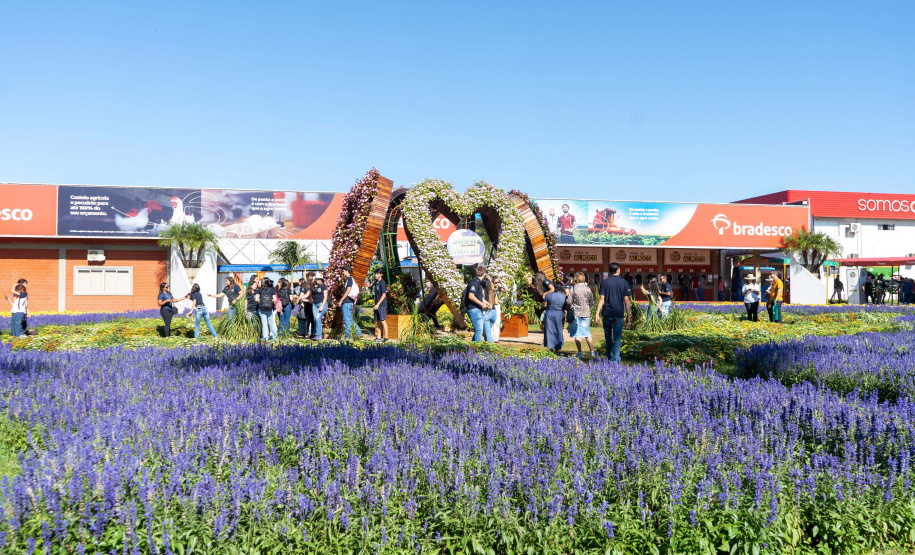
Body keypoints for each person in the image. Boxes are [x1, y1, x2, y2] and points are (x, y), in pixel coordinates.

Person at [595, 262, 631, 363]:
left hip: (607, 312)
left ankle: (609, 357)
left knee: (608, 336)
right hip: (619, 313)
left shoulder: (604, 282)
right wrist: (628, 316)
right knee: (617, 337)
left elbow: (601, 298)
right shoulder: (624, 283)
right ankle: (615, 359)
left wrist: (597, 314)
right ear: (618, 270)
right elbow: (626, 300)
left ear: (610, 270)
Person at [569, 272, 595, 358]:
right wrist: (587, 307)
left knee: (578, 334)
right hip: (586, 313)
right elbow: (592, 301)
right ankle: (592, 351)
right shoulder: (588, 288)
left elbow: (569, 301)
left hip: (576, 313)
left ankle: (580, 352)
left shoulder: (573, 288)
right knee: (587, 333)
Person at [464, 266, 491, 342]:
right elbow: (471, 296)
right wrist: (482, 304)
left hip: (477, 309)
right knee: (479, 330)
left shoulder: (478, 282)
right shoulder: (475, 282)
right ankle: (477, 348)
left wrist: (486, 303)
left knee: (479, 330)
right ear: (484, 273)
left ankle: (471, 347)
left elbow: (479, 297)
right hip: (474, 309)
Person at [337, 265, 362, 340]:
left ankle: (347, 336)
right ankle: (358, 333)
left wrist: (341, 300)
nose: (343, 272)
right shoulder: (349, 279)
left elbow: (348, 290)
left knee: (346, 320)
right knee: (350, 319)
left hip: (347, 302)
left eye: (344, 271)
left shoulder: (349, 279)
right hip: (349, 302)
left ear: (347, 270)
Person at [543, 286, 568, 354]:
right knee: (558, 331)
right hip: (559, 314)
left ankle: (550, 349)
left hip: (550, 314)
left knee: (549, 330)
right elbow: (566, 306)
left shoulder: (549, 295)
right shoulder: (564, 297)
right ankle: (557, 350)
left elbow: (545, 305)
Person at [372, 269, 388, 342]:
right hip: (377, 305)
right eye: (375, 274)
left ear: (381, 274)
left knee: (382, 320)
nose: (376, 275)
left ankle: (386, 338)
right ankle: (378, 337)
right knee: (378, 321)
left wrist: (378, 304)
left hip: (382, 305)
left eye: (377, 274)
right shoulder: (376, 283)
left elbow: (384, 295)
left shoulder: (382, 283)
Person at [311, 275, 328, 340]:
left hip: (321, 303)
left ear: (321, 280)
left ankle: (318, 335)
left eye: (319, 280)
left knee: (318, 318)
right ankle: (316, 335)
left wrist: (322, 306)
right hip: (314, 304)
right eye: (317, 279)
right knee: (315, 319)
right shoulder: (314, 286)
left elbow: (325, 297)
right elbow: (311, 295)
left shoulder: (323, 286)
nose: (317, 281)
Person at [489, 276, 505, 342]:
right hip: (491, 305)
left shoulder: (498, 288)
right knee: (491, 322)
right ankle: (491, 337)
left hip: (496, 306)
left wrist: (501, 282)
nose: (497, 284)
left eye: (498, 282)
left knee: (497, 322)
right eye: (495, 282)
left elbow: (506, 289)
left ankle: (496, 338)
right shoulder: (490, 288)